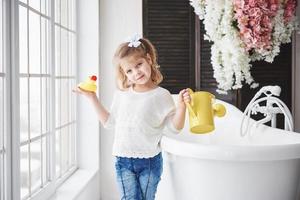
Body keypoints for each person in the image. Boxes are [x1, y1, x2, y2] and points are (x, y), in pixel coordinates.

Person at [74, 34, 191, 200]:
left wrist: (181, 107)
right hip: (123, 160)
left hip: (150, 161)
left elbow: (175, 128)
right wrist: (93, 97)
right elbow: (109, 123)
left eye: (139, 64)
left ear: (149, 59)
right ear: (125, 74)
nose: (136, 72)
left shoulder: (161, 96)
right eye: (129, 70)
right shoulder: (121, 95)